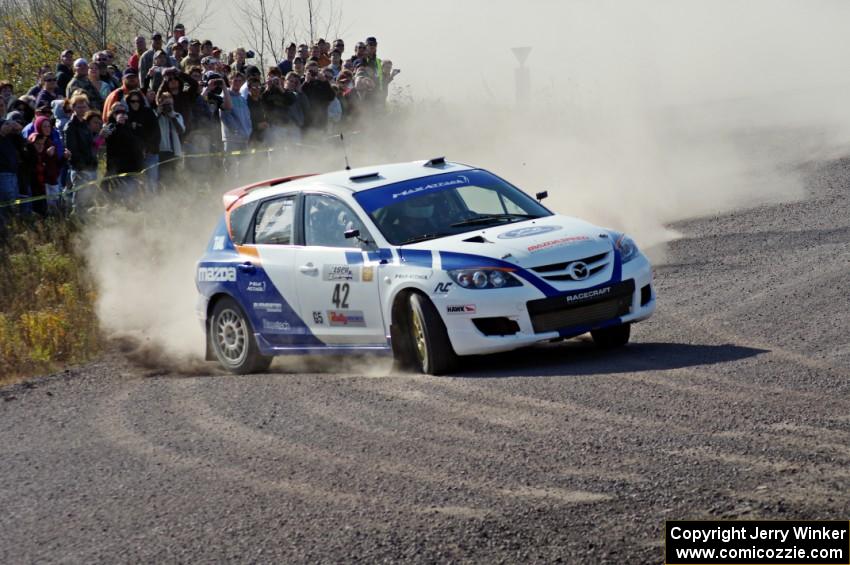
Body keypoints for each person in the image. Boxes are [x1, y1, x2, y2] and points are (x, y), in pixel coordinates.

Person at [62, 94, 99, 210]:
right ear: (73, 108)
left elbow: (90, 146)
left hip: (90, 167)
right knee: (79, 202)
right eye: (79, 107)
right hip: (80, 169)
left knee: (89, 200)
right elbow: (72, 150)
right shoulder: (70, 127)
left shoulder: (85, 125)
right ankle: (76, 221)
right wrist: (81, 168)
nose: (82, 109)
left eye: (84, 106)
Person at [103, 103, 144, 202]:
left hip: (132, 169)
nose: (121, 114)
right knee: (120, 198)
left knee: (131, 198)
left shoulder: (130, 126)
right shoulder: (110, 127)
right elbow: (110, 140)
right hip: (117, 170)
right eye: (118, 112)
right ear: (112, 114)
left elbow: (136, 143)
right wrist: (118, 124)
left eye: (123, 112)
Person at [125, 90, 160, 193]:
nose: (135, 103)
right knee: (134, 183)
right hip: (134, 155)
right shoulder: (127, 116)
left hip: (150, 153)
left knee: (152, 181)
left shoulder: (148, 112)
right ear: (128, 102)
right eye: (132, 101)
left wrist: (148, 148)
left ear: (141, 101)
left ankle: (152, 202)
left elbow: (156, 133)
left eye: (138, 101)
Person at [219, 72, 252, 172]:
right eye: (235, 80)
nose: (237, 82)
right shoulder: (225, 95)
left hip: (244, 138)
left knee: (244, 168)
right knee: (230, 168)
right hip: (231, 139)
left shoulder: (242, 99)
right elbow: (224, 115)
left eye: (240, 80)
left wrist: (248, 131)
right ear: (229, 81)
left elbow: (247, 117)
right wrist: (235, 131)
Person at [154, 92, 185, 187]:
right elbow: (151, 128)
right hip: (161, 152)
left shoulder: (177, 115)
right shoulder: (156, 115)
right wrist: (159, 113)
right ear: (160, 104)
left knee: (175, 179)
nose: (168, 107)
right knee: (162, 179)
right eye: (165, 104)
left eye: (170, 104)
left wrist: (173, 118)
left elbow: (181, 131)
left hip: (175, 152)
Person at [301, 61, 335, 132]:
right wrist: (306, 82)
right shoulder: (300, 81)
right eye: (311, 71)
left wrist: (325, 82)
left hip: (321, 122)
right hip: (305, 122)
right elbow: (299, 94)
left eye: (315, 72)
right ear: (305, 71)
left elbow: (331, 97)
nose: (313, 74)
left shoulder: (322, 83)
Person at [0, 118, 22, 224]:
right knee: (6, 202)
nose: (9, 126)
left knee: (14, 201)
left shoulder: (10, 137)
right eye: (6, 124)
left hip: (13, 173)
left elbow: (22, 142)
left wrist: (17, 129)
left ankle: (13, 226)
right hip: (3, 174)